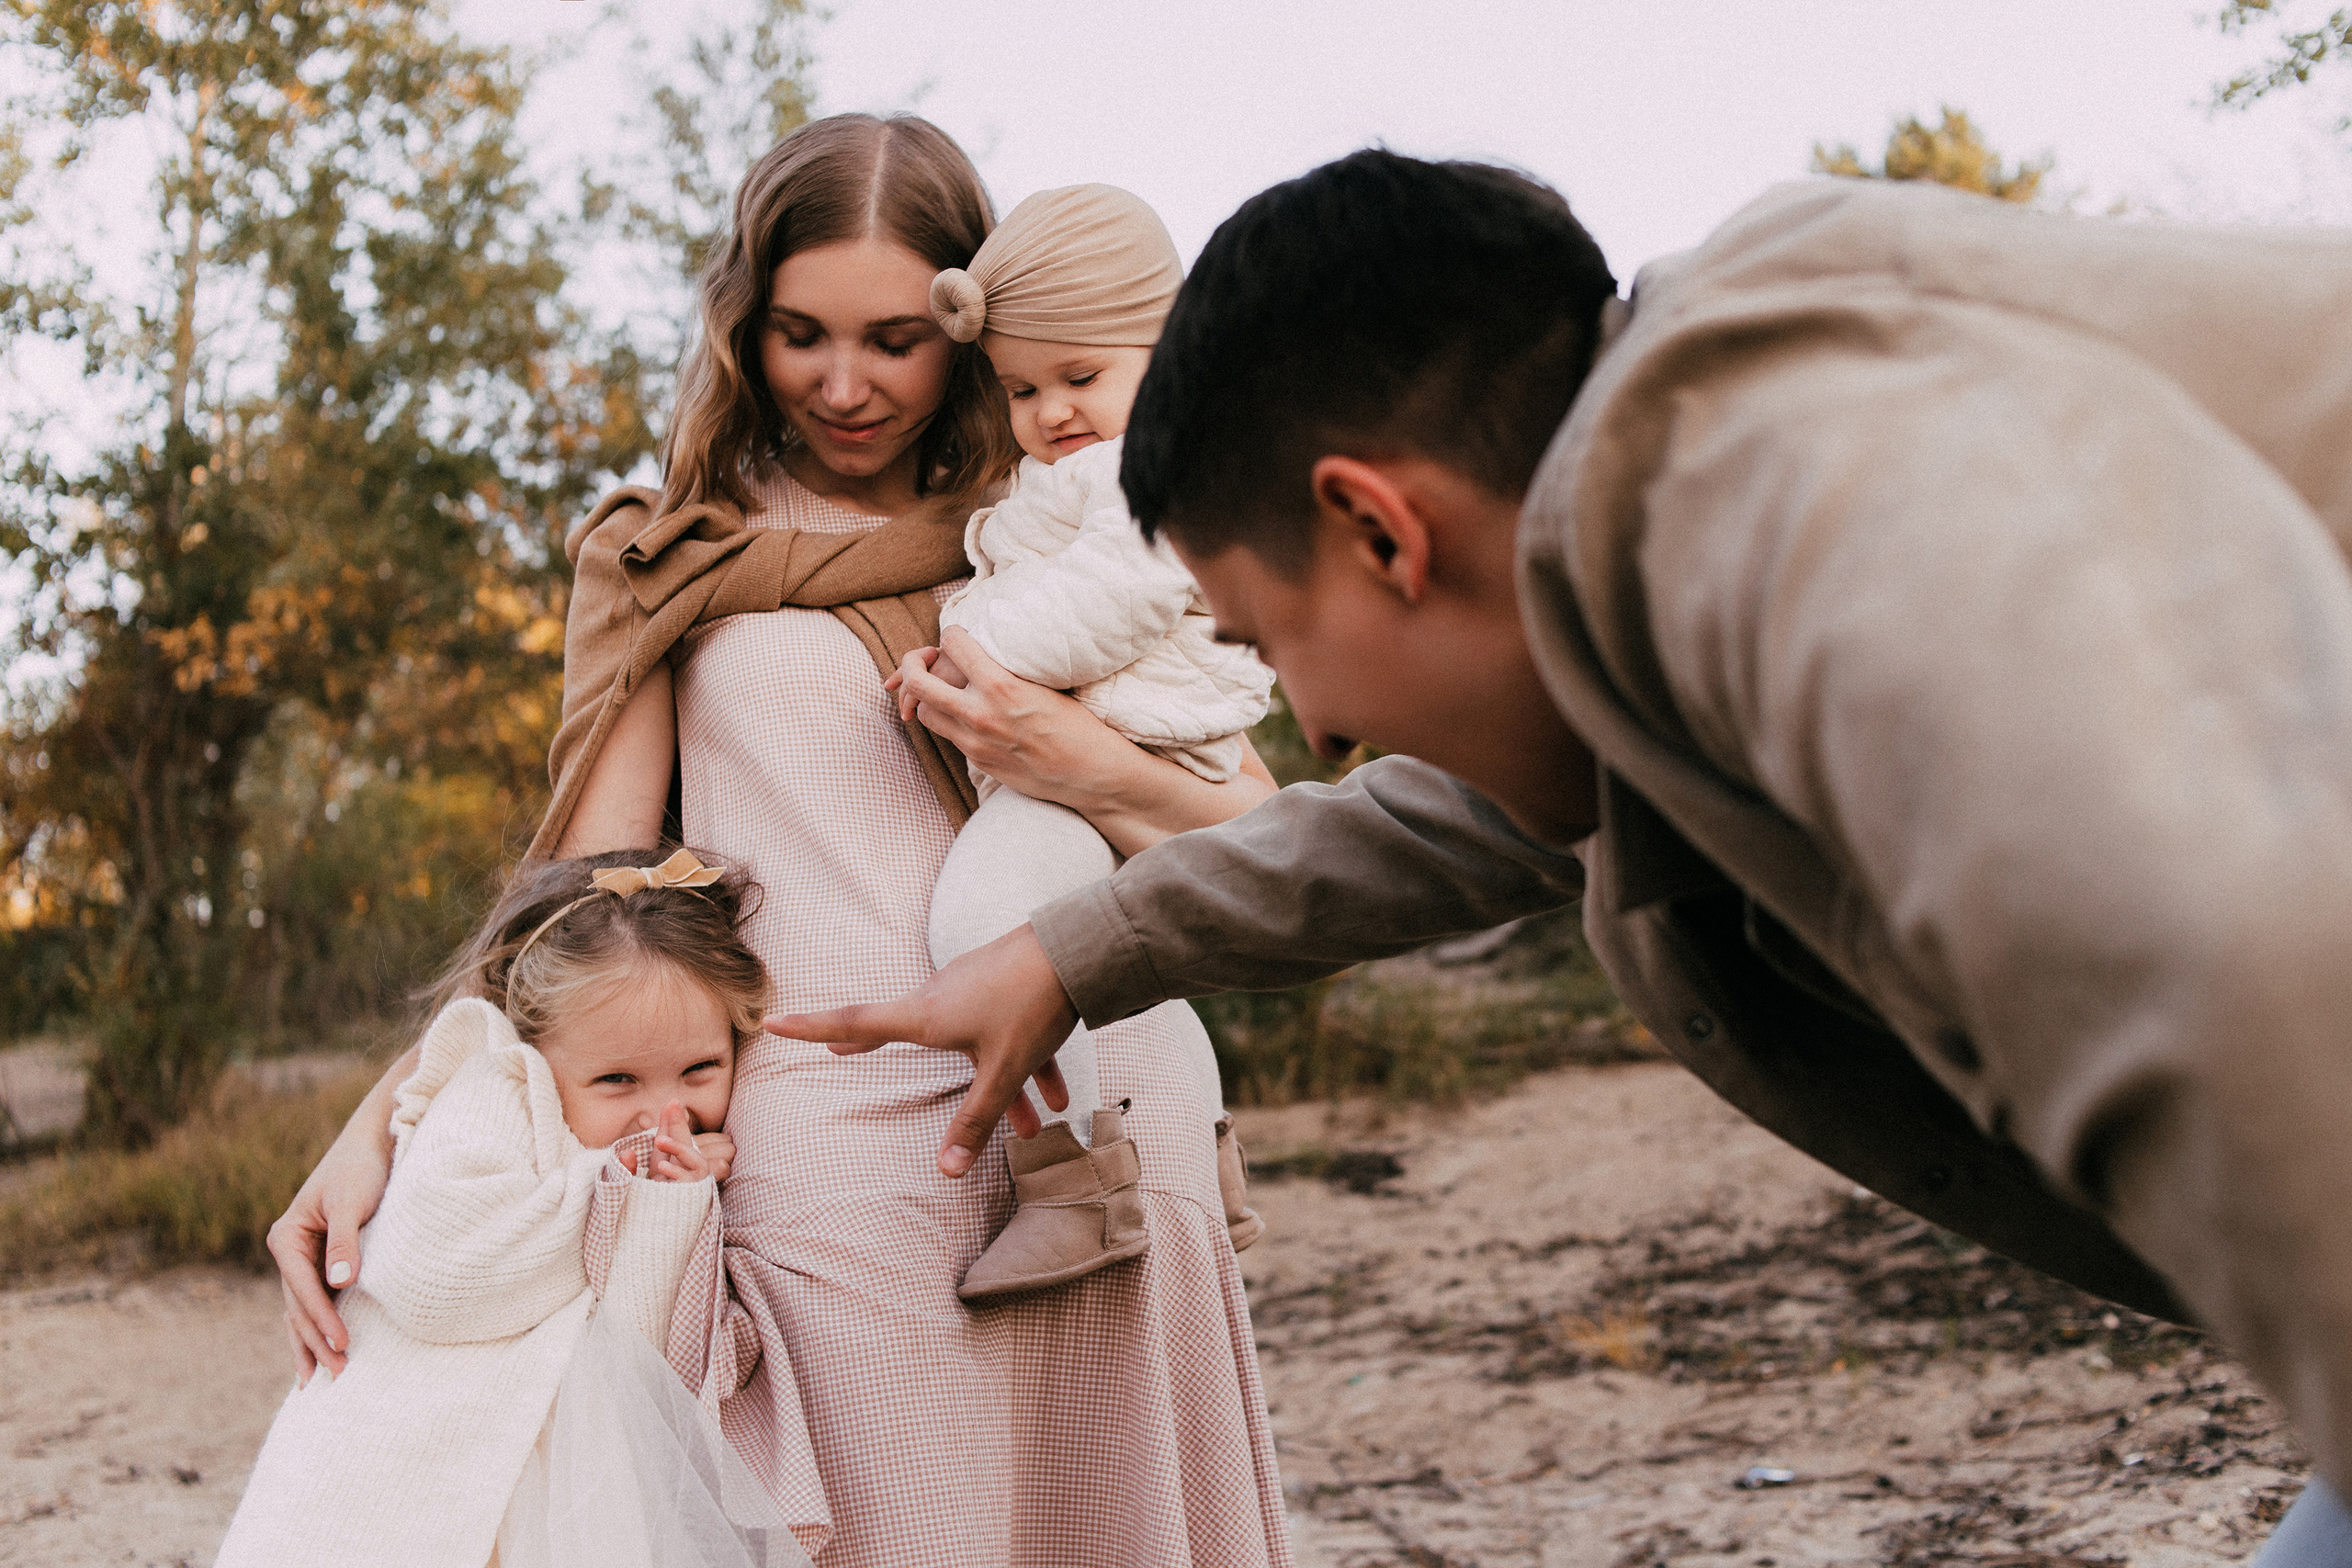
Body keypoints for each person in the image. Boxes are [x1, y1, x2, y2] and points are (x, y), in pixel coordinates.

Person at [782, 151, 2352, 1552]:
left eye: (1267, 637)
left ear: (1382, 531)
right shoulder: (1655, 522)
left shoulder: (1815, 524)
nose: (1315, 725)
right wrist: (1070, 954)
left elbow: (2234, 980)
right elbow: (1440, 825)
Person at [268, 114, 1295, 1568]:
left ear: (967, 325)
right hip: (836, 1161)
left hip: (1105, 1111)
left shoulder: (1070, 522)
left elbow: (1261, 833)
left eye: (894, 339)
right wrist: (386, 1118)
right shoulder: (674, 553)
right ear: (743, 324)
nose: (844, 382)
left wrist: (1076, 759)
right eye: (801, 333)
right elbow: (588, 893)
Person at [895, 182, 1274, 1301]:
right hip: (1136, 732)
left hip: (1121, 730)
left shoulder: (1143, 465)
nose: (1051, 410)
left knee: (983, 926)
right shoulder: (1092, 468)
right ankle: (1210, 1155)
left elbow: (1109, 600)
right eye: (1020, 388)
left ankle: (1071, 1184)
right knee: (1140, 967)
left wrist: (968, 648)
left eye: (1080, 376)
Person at [223, 848, 806, 1568]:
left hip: (553, 1500)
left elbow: (637, 1360)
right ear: (536, 1046)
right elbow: (437, 1278)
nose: (664, 1111)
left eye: (700, 1069)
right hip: (397, 1486)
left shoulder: (674, 1162)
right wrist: (616, 1178)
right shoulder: (493, 1086)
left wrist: (666, 1205)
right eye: (616, 1079)